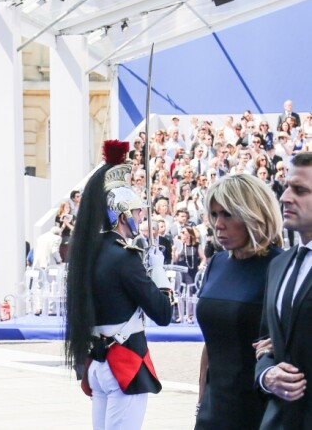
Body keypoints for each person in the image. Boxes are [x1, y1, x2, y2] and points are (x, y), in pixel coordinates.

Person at [65, 140, 173, 430]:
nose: (141, 216)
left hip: (98, 363)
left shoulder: (89, 252)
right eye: (137, 212)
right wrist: (157, 269)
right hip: (123, 362)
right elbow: (163, 313)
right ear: (123, 215)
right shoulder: (126, 257)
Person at [194, 174, 284, 429]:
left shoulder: (281, 266)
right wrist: (201, 402)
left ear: (253, 215)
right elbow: (211, 342)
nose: (218, 224)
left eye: (228, 214)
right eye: (214, 215)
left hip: (261, 410)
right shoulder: (217, 264)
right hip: (213, 409)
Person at [255, 152, 312, 429]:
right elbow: (265, 342)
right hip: (277, 420)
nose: (285, 197)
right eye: (287, 187)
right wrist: (267, 375)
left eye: (300, 190)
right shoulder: (278, 265)